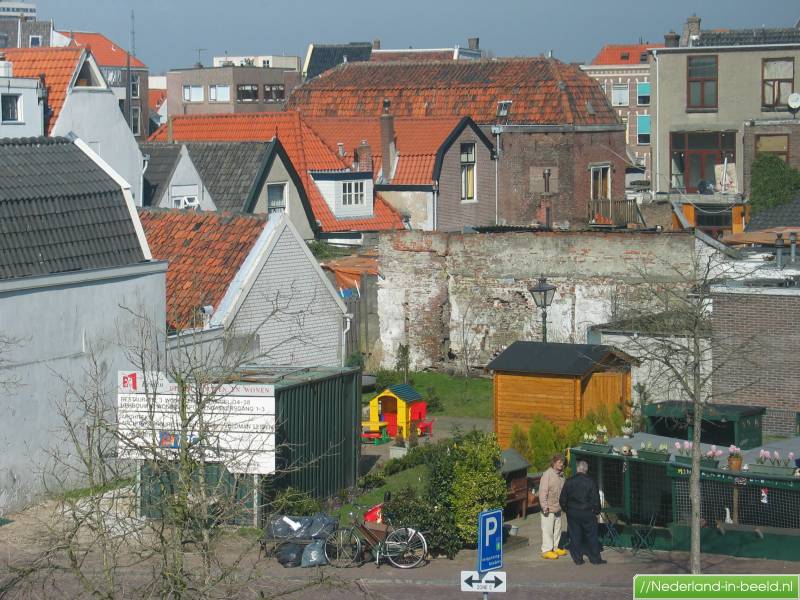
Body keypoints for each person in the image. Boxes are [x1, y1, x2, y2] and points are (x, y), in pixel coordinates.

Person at [559, 460, 606, 565]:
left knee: (575, 536)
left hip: (573, 513)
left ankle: (578, 559)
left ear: (578, 469)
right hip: (587, 512)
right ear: (586, 470)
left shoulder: (569, 481)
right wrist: (597, 510)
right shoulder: (590, 481)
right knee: (592, 536)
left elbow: (562, 498)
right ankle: (595, 559)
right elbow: (595, 499)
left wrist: (567, 510)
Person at [538, 453, 567, 560]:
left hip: (558, 508)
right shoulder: (547, 475)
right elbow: (542, 492)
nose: (561, 464)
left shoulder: (562, 475)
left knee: (558, 529)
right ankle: (546, 550)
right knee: (548, 530)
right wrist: (544, 506)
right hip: (548, 508)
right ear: (553, 463)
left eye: (562, 462)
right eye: (559, 462)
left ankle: (555, 548)